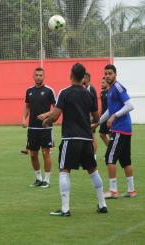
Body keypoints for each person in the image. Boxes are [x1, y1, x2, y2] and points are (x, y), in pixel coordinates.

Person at [43, 63, 107, 216]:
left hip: (70, 138)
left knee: (64, 170)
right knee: (93, 170)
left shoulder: (65, 93)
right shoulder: (89, 94)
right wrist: (88, 125)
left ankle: (65, 209)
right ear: (83, 77)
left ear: (71, 75)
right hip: (86, 138)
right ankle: (102, 204)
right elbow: (97, 117)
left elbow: (56, 115)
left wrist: (47, 120)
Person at [95, 64, 136, 199]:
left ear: (115, 74)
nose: (107, 76)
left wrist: (114, 116)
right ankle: (131, 191)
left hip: (120, 128)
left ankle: (113, 191)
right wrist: (97, 123)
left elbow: (130, 105)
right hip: (124, 129)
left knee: (110, 158)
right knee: (125, 161)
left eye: (110, 73)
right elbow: (109, 111)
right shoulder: (110, 90)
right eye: (105, 73)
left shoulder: (117, 87)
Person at [22, 67, 56, 188]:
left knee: (46, 153)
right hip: (32, 128)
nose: (38, 77)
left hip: (46, 128)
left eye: (40, 75)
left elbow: (56, 108)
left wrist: (46, 115)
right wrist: (24, 118)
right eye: (36, 75)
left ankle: (47, 180)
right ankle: (38, 178)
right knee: (33, 154)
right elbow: (27, 106)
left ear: (44, 76)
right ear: (33, 76)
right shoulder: (29, 91)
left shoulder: (49, 91)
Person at [83, 72, 98, 160]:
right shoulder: (86, 88)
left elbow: (93, 105)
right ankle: (89, 155)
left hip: (91, 117)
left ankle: (94, 156)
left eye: (83, 78)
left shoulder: (91, 89)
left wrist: (92, 118)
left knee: (92, 136)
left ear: (87, 79)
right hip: (87, 117)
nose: (82, 80)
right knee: (89, 136)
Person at [99, 77, 110, 146]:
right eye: (101, 82)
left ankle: (113, 152)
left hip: (109, 117)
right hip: (103, 117)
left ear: (107, 83)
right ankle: (110, 150)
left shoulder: (110, 92)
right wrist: (99, 116)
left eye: (103, 83)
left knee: (111, 135)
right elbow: (102, 105)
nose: (101, 84)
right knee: (102, 134)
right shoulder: (102, 93)